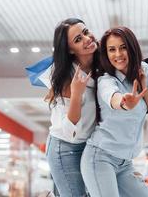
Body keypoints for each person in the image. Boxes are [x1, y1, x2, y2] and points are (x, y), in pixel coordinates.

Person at [81, 26, 148, 197]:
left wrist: (144, 88)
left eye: (123, 47)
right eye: (111, 50)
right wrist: (125, 103)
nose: (118, 54)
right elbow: (114, 99)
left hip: (125, 163)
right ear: (106, 54)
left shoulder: (145, 70)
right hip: (100, 158)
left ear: (132, 47)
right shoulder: (107, 80)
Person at [45, 18, 99, 197]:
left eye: (85, 32)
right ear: (69, 50)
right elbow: (68, 131)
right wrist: (76, 94)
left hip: (88, 145)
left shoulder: (101, 65)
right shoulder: (67, 77)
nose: (87, 39)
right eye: (78, 40)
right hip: (65, 148)